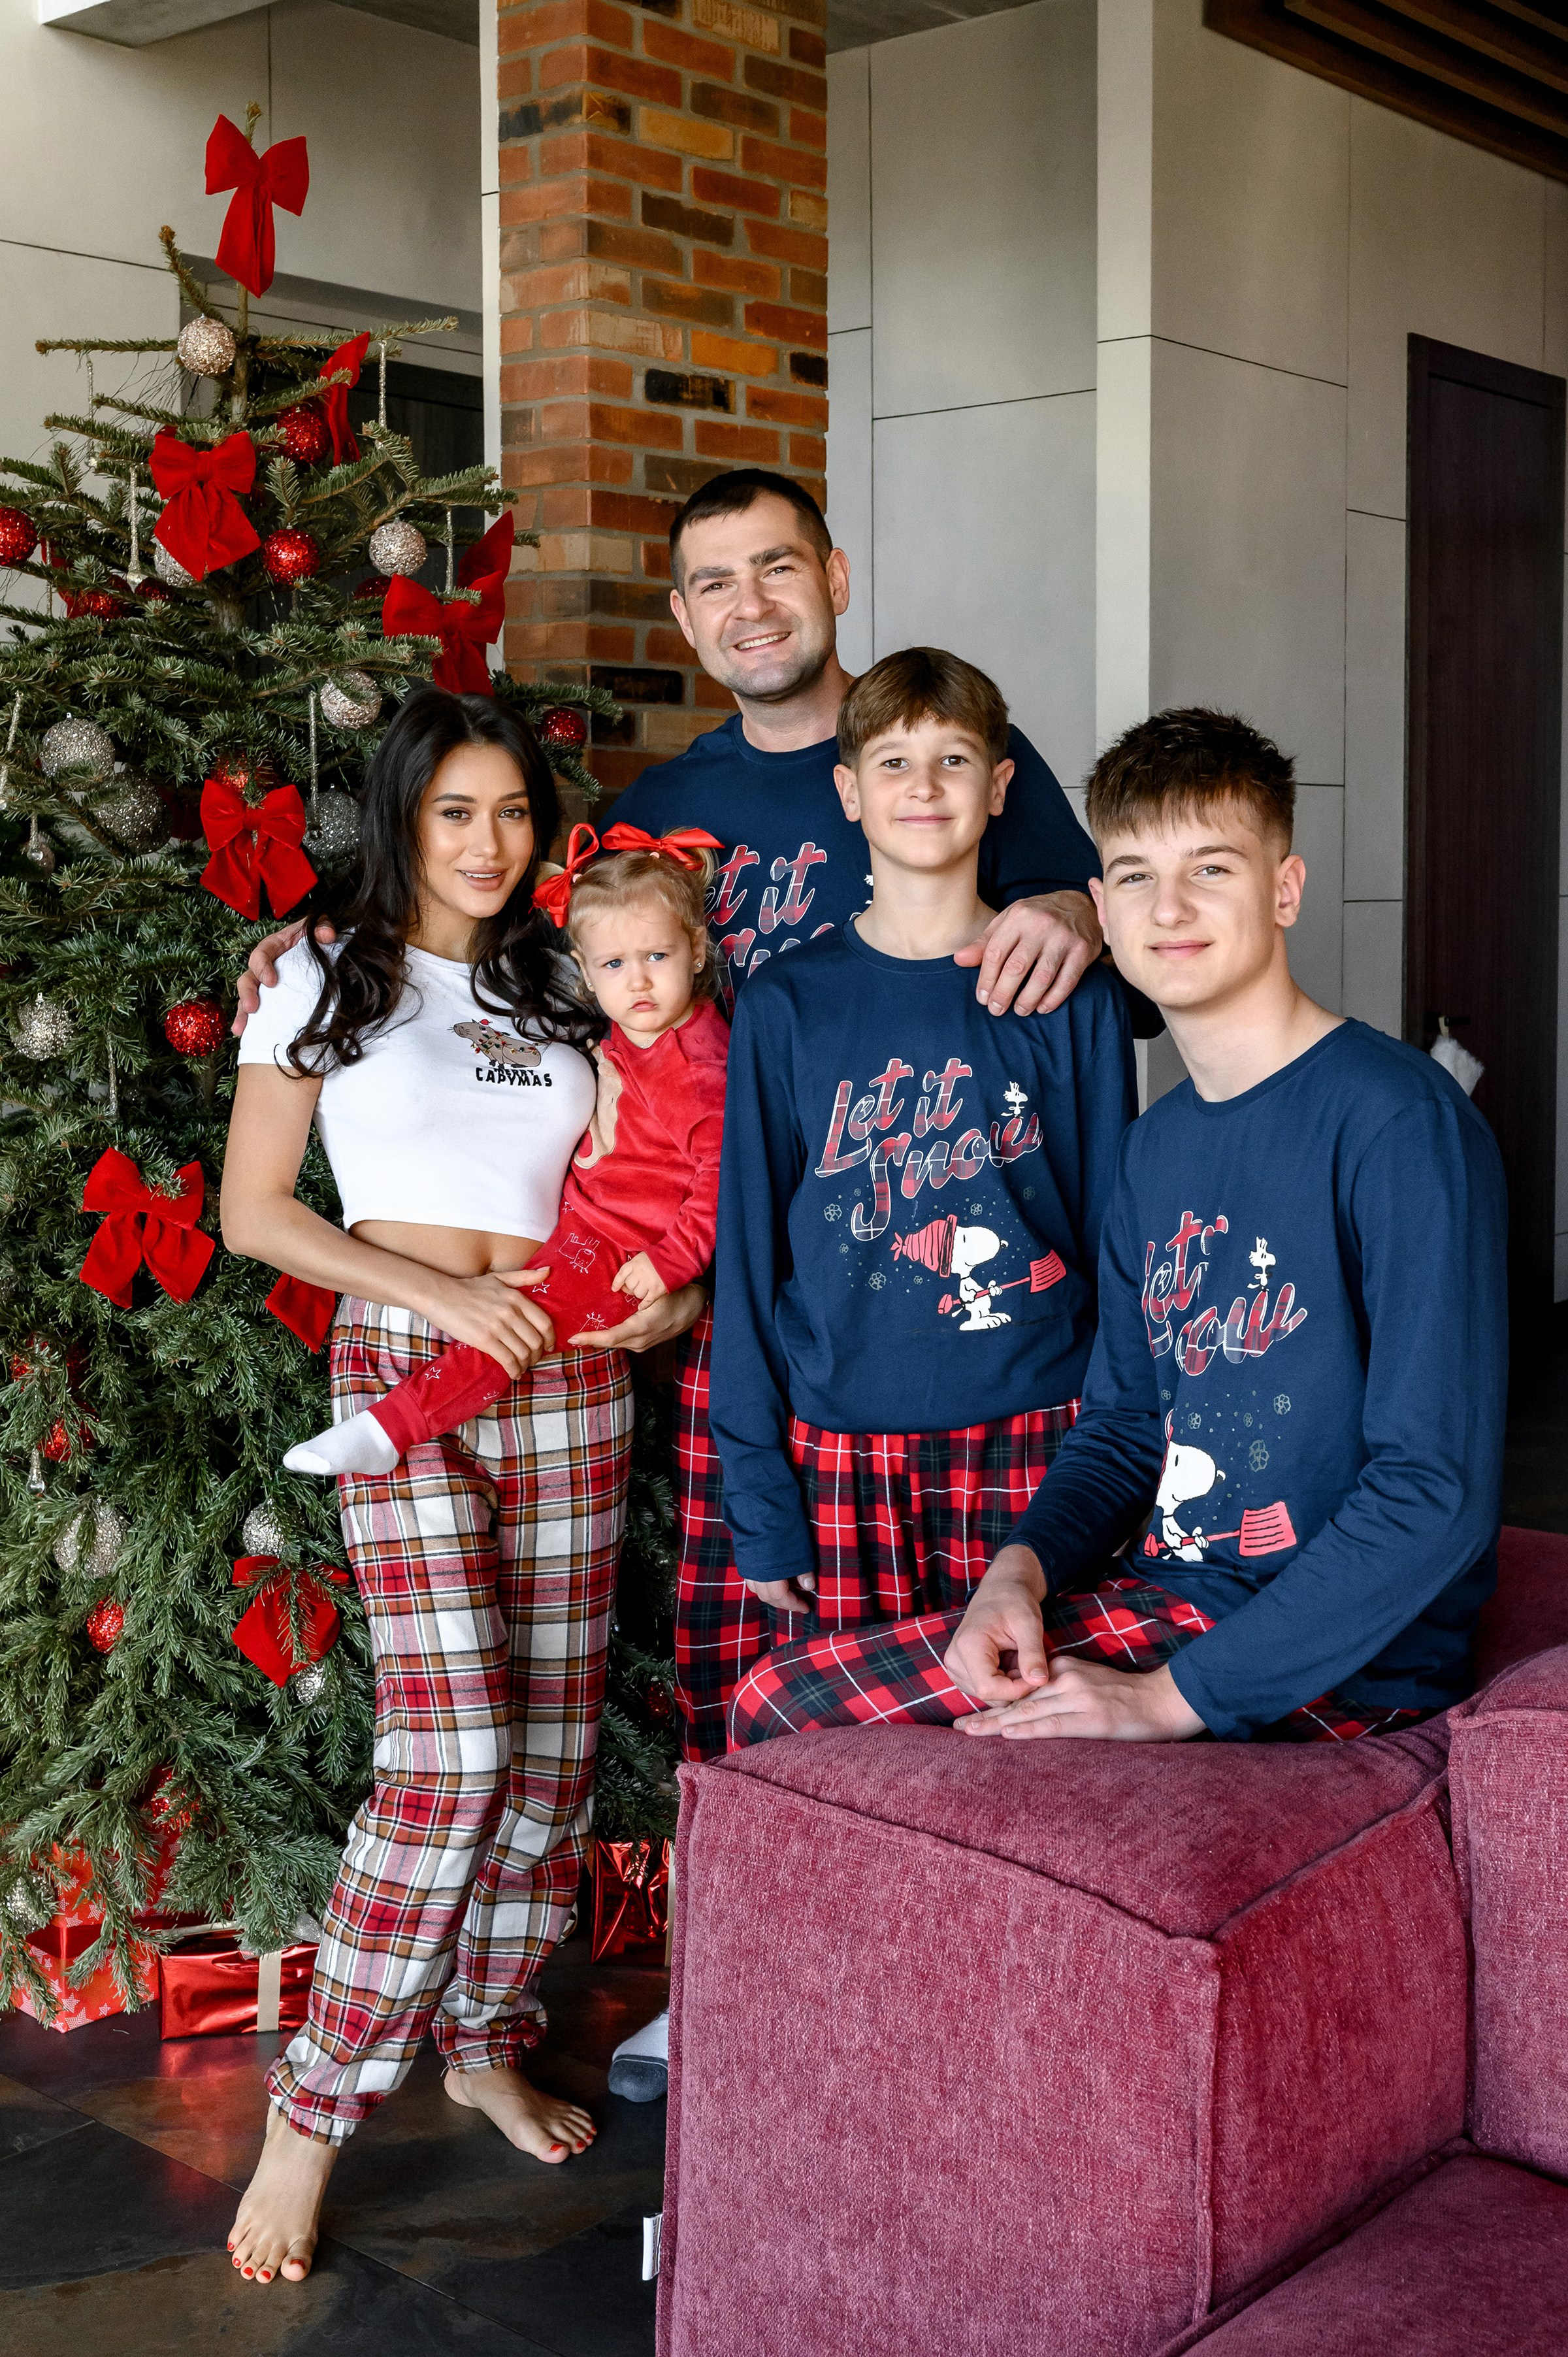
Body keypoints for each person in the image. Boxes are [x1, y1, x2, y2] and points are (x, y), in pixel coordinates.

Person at [727, 706, 1508, 1754]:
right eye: (1136, 874)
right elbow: (1128, 1425)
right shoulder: (1159, 1147)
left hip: (1341, 1659)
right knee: (788, 1694)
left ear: (1286, 887)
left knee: (788, 1715)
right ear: (1100, 904)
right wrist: (1020, 1571)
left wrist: (1168, 1699)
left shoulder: (1398, 1124)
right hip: (1172, 1596)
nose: (1170, 908)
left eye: (1213, 870)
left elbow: (1434, 1491)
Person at [220, 687, 633, 2290]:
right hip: (403, 1370)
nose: (486, 843)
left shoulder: (568, 976)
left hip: (573, 1371)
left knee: (545, 1756)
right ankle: (311, 2117)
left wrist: (655, 1294)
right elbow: (256, 1210)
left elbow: (653, 1159)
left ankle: (482, 2039)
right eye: (454, 812)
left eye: (513, 812)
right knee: (448, 1751)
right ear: (400, 815)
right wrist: (441, 1300)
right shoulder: (321, 972)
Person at [711, 645, 1134, 1654]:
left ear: (998, 788)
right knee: (857, 1770)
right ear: (848, 791)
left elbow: (1120, 1238)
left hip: (1044, 1431)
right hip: (840, 1439)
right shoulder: (785, 1004)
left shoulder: (1070, 994)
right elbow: (747, 1254)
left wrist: (1125, 1451)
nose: (924, 787)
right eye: (895, 763)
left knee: (1033, 1740)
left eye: (953, 760)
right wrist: (758, 1487)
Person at [280, 825, 728, 1479]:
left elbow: (723, 1178)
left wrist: (672, 1266)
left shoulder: (697, 1065)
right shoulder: (629, 1023)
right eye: (613, 965)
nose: (637, 983)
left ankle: (390, 1427)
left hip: (624, 1252)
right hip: (580, 1230)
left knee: (521, 1329)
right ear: (585, 967)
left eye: (656, 957)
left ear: (695, 951)